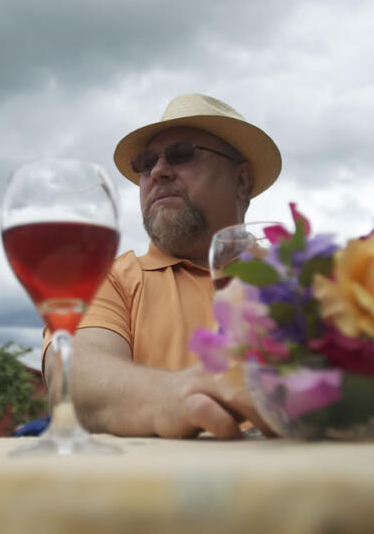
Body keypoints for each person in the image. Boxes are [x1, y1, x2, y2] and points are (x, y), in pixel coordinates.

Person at [55, 93, 282, 439]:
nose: (158, 172)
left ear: (241, 180)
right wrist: (175, 397)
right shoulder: (110, 279)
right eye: (145, 164)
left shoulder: (296, 277)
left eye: (182, 154)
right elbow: (75, 375)